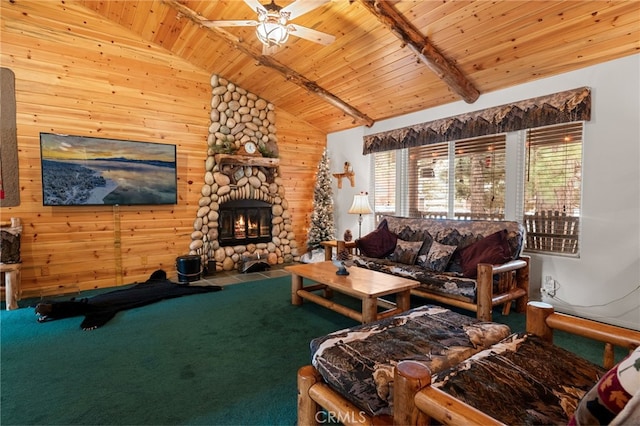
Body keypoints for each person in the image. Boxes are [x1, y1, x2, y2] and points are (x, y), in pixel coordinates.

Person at [35, 269, 222, 330]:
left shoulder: (157, 285)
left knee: (93, 303)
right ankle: (52, 309)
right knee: (95, 305)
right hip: (121, 298)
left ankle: (53, 309)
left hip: (111, 297)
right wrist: (208, 288)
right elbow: (184, 291)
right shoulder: (165, 288)